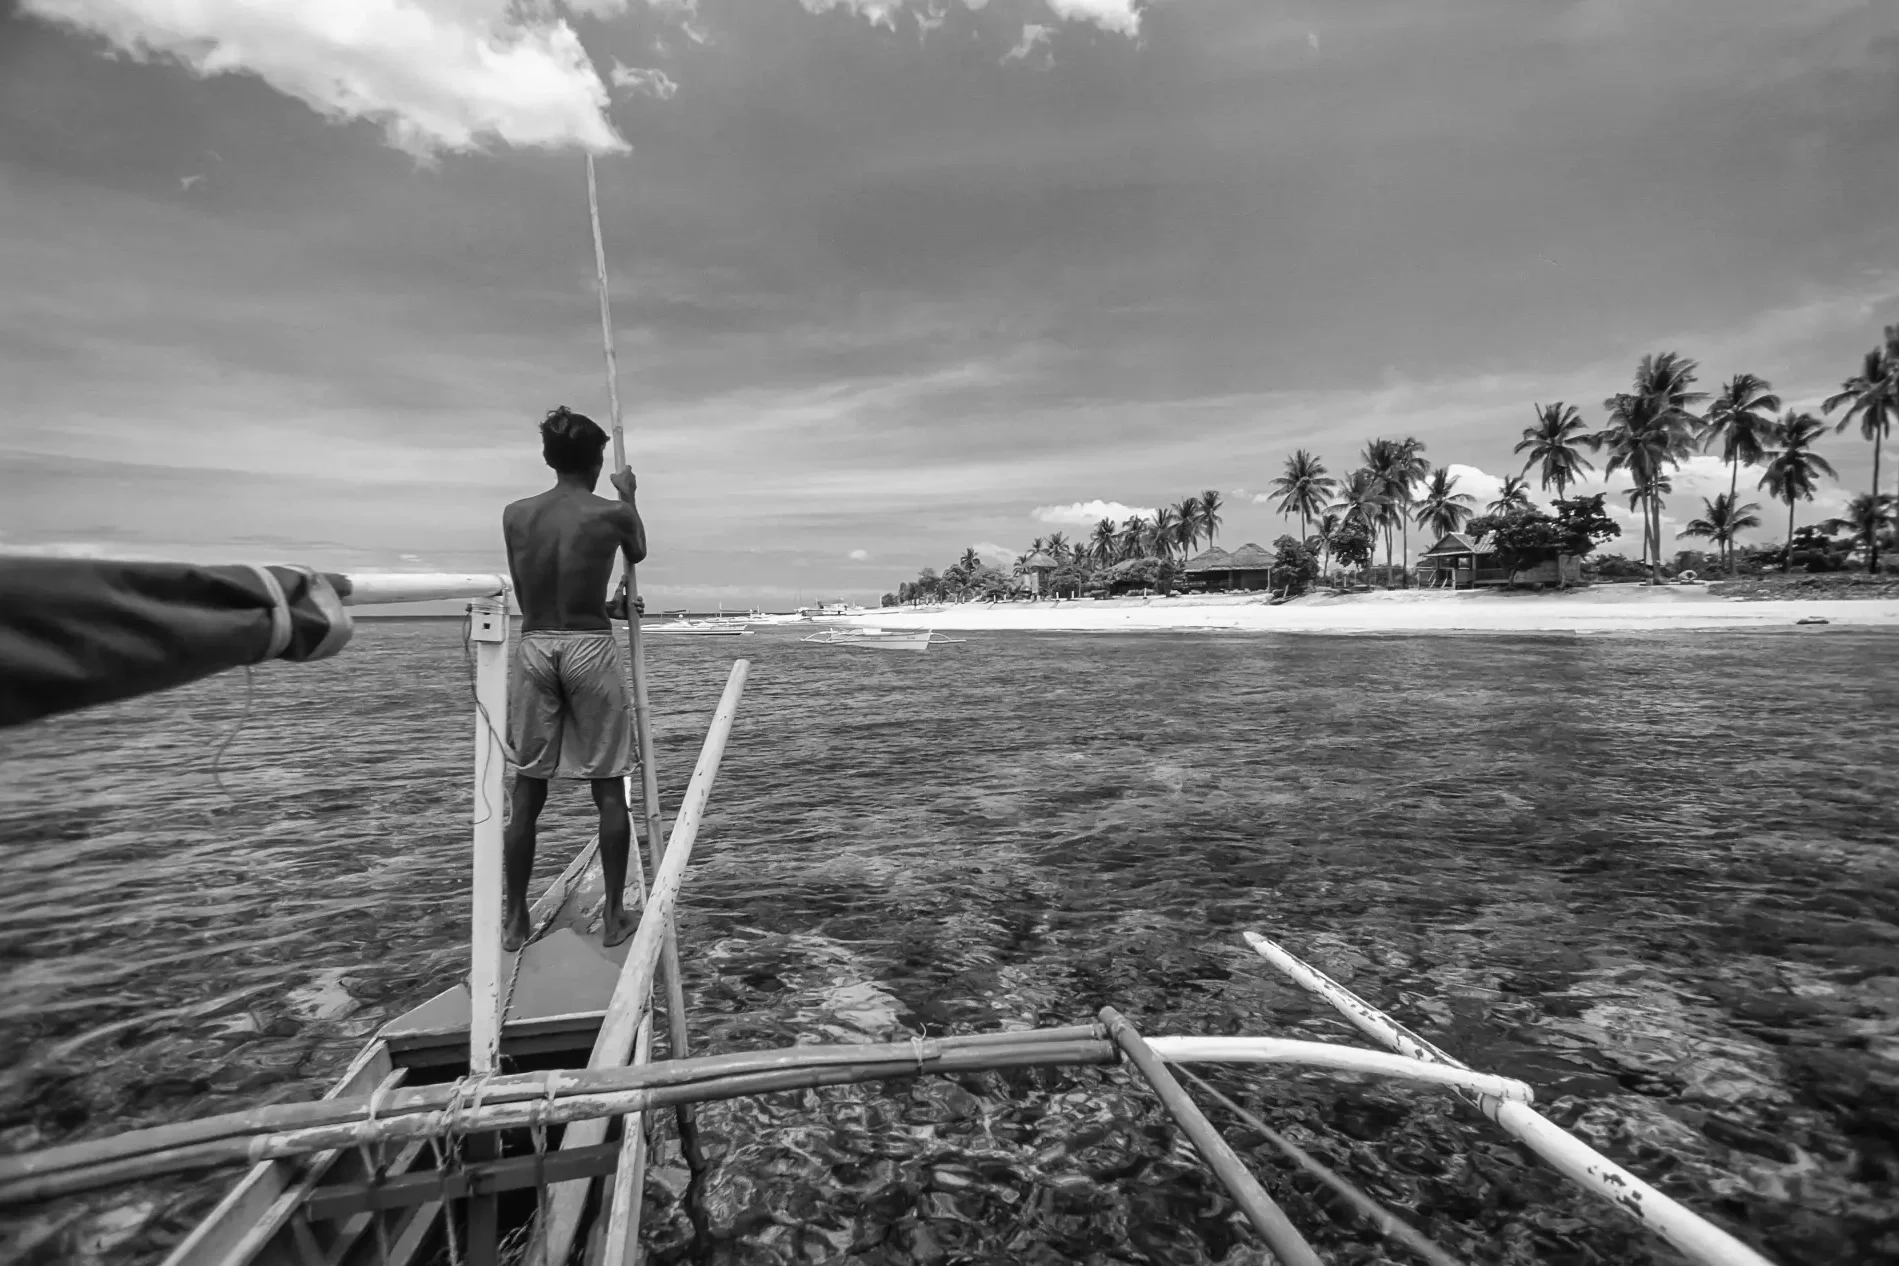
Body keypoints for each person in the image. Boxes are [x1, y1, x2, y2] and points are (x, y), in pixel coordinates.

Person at [500, 406, 648, 952]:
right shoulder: (611, 512)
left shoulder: (515, 514)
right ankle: (613, 917)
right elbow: (638, 550)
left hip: (536, 643)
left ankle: (515, 919)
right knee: (608, 787)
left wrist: (601, 605)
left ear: (548, 458)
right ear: (598, 459)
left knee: (527, 791)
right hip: (588, 647)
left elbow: (538, 582)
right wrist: (628, 493)